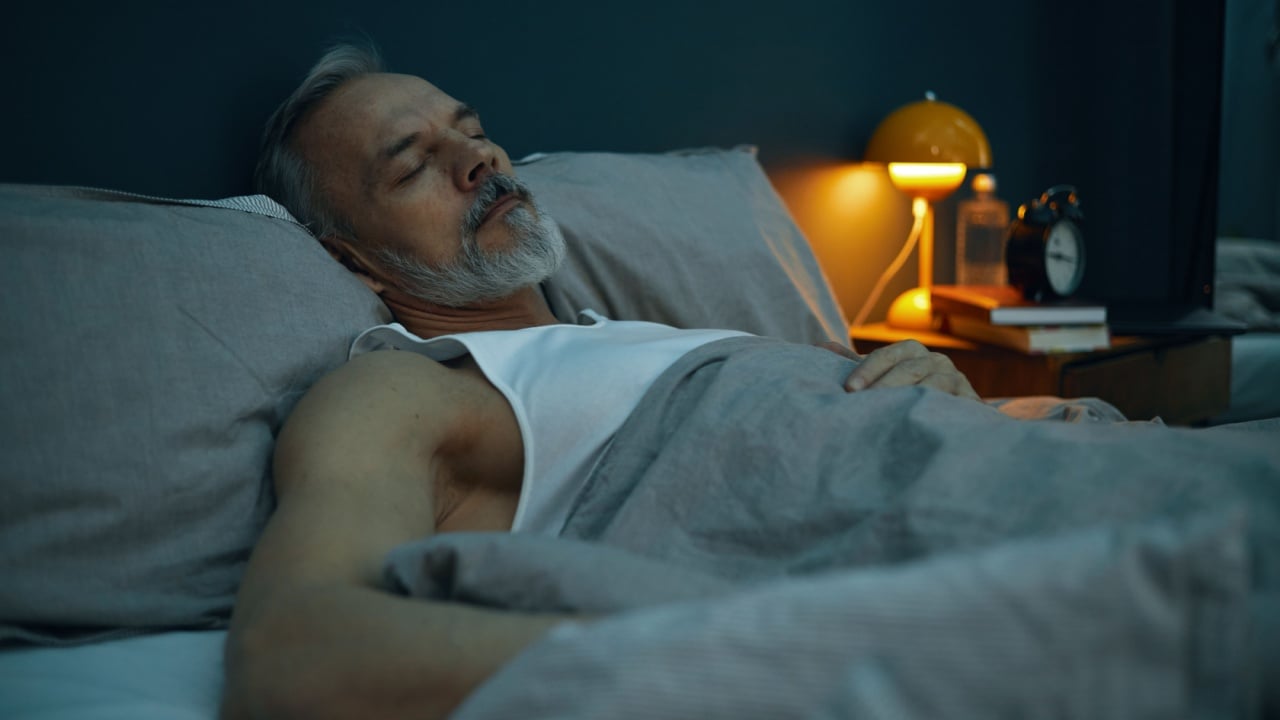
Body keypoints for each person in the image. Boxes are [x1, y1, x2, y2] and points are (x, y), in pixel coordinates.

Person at [218, 43, 989, 720]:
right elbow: (291, 659)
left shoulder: (638, 337)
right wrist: (773, 651)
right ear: (353, 259)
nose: (477, 160)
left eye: (476, 132)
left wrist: (935, 395)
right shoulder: (406, 388)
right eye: (415, 164)